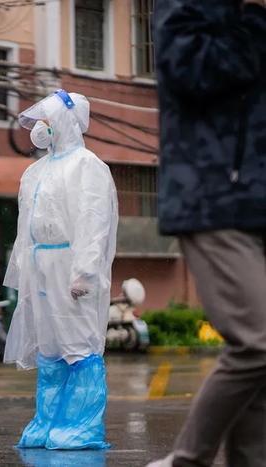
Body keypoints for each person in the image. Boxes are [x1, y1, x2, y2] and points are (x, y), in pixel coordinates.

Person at [148, 1, 266, 466]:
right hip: (213, 199)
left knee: (260, 368)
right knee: (258, 341)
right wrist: (254, 16)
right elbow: (194, 72)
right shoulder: (187, 7)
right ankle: (187, 460)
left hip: (256, 204)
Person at [5, 89, 118, 450]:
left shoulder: (87, 166)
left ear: (67, 122)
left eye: (46, 120)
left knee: (78, 343)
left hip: (70, 265)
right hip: (41, 266)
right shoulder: (35, 171)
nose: (39, 128)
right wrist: (24, 265)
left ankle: (82, 425)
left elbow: (93, 220)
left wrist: (86, 270)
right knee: (50, 347)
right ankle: (47, 421)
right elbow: (26, 226)